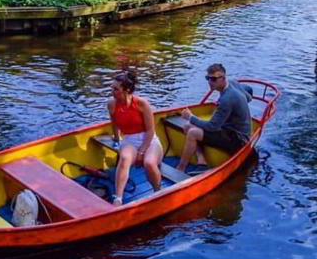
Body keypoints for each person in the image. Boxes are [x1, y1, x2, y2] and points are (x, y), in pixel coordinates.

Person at [176, 63, 253, 172]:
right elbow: (248, 96)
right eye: (208, 78)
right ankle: (201, 161)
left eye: (213, 79)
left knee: (192, 132)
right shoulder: (232, 83)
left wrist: (191, 117)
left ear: (223, 78)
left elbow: (212, 126)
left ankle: (180, 168)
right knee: (187, 127)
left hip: (237, 138)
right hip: (228, 128)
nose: (210, 82)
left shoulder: (227, 99)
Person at [107, 70, 163, 206]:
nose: (112, 91)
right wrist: (116, 139)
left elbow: (150, 131)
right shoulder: (111, 104)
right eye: (112, 88)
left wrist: (142, 152)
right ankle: (118, 198)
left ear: (126, 90)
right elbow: (114, 123)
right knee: (125, 158)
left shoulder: (142, 104)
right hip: (130, 140)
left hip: (148, 140)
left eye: (116, 89)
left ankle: (158, 192)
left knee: (149, 163)